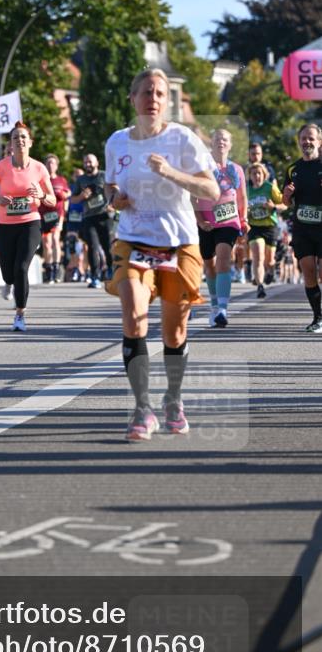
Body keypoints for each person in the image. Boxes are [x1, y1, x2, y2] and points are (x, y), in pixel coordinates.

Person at [104, 69, 219, 441]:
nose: (153, 98)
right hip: (134, 240)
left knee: (174, 332)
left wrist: (171, 172)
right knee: (134, 315)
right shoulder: (117, 143)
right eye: (146, 92)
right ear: (132, 98)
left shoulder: (182, 139)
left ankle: (173, 399)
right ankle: (142, 409)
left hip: (178, 242)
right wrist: (114, 200)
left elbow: (211, 191)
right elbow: (111, 191)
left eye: (160, 93)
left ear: (166, 101)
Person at [0, 121, 55, 332]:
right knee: (8, 272)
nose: (19, 140)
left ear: (30, 142)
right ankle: (8, 282)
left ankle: (20, 314)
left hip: (30, 222)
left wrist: (41, 195)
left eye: (23, 137)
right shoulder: (1, 167)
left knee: (21, 268)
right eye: (15, 138)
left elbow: (52, 199)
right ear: (10, 144)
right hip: (4, 224)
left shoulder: (39, 168)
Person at [194, 128, 247, 327]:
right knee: (209, 265)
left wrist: (244, 219)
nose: (221, 142)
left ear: (230, 144)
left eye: (225, 139)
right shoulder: (202, 168)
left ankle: (223, 309)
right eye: (217, 139)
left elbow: (242, 197)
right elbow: (193, 196)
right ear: (212, 143)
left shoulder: (237, 169)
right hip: (206, 222)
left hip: (229, 221)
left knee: (224, 257)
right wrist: (199, 220)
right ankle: (215, 305)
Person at [283, 123, 322, 334]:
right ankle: (318, 318)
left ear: (319, 142)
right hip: (302, 229)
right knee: (308, 272)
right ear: (299, 142)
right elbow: (285, 201)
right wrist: (287, 196)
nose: (307, 142)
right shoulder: (293, 169)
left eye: (311, 138)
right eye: (303, 138)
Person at [71, 152, 116, 288]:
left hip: (105, 216)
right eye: (85, 162)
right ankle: (94, 276)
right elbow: (73, 199)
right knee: (92, 246)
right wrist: (82, 196)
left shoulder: (104, 175)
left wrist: (112, 205)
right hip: (89, 217)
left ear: (97, 163)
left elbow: (116, 190)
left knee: (108, 246)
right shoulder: (81, 180)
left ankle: (111, 271)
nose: (88, 164)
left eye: (90, 162)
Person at [246, 162, 286, 299]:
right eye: (254, 173)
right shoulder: (246, 190)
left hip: (270, 227)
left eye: (259, 173)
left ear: (264, 175)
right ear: (250, 176)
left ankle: (270, 270)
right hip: (254, 227)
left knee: (269, 260)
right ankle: (260, 286)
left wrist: (273, 206)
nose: (257, 176)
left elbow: (285, 204)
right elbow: (239, 208)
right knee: (258, 256)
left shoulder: (270, 188)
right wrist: (246, 212)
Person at [40, 154, 70, 283]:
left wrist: (64, 195)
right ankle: (48, 268)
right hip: (44, 215)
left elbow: (68, 192)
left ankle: (56, 268)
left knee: (55, 240)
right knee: (46, 244)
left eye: (52, 163)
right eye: (48, 163)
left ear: (56, 166)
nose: (50, 165)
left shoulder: (61, 180)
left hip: (57, 214)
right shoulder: (41, 180)